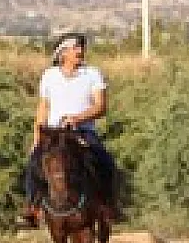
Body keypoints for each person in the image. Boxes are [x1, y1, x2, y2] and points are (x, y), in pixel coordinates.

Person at [15, 32, 119, 228]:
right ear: (62, 52)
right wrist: (37, 137)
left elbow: (101, 107)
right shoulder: (49, 75)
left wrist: (77, 118)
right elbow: (43, 107)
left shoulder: (93, 74)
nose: (80, 51)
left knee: (104, 160)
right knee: (34, 163)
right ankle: (32, 208)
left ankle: (108, 205)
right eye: (74, 47)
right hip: (53, 133)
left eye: (81, 47)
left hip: (82, 131)